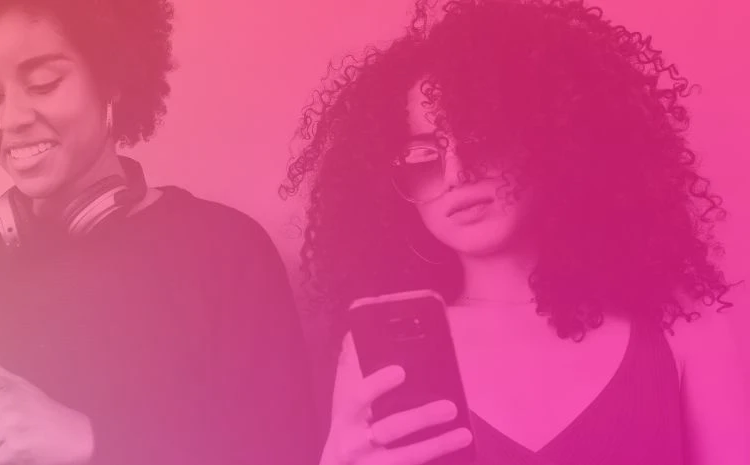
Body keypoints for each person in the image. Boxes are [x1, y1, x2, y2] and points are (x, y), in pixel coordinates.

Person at [282, 1, 750, 464]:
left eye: (482, 137)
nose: (457, 174)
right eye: (423, 156)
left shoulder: (682, 323)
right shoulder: (371, 354)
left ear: (552, 138)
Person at [0, 0, 322, 464]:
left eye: (43, 83)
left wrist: (91, 440)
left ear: (111, 80)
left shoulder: (225, 250)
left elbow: (288, 451)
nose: (11, 118)